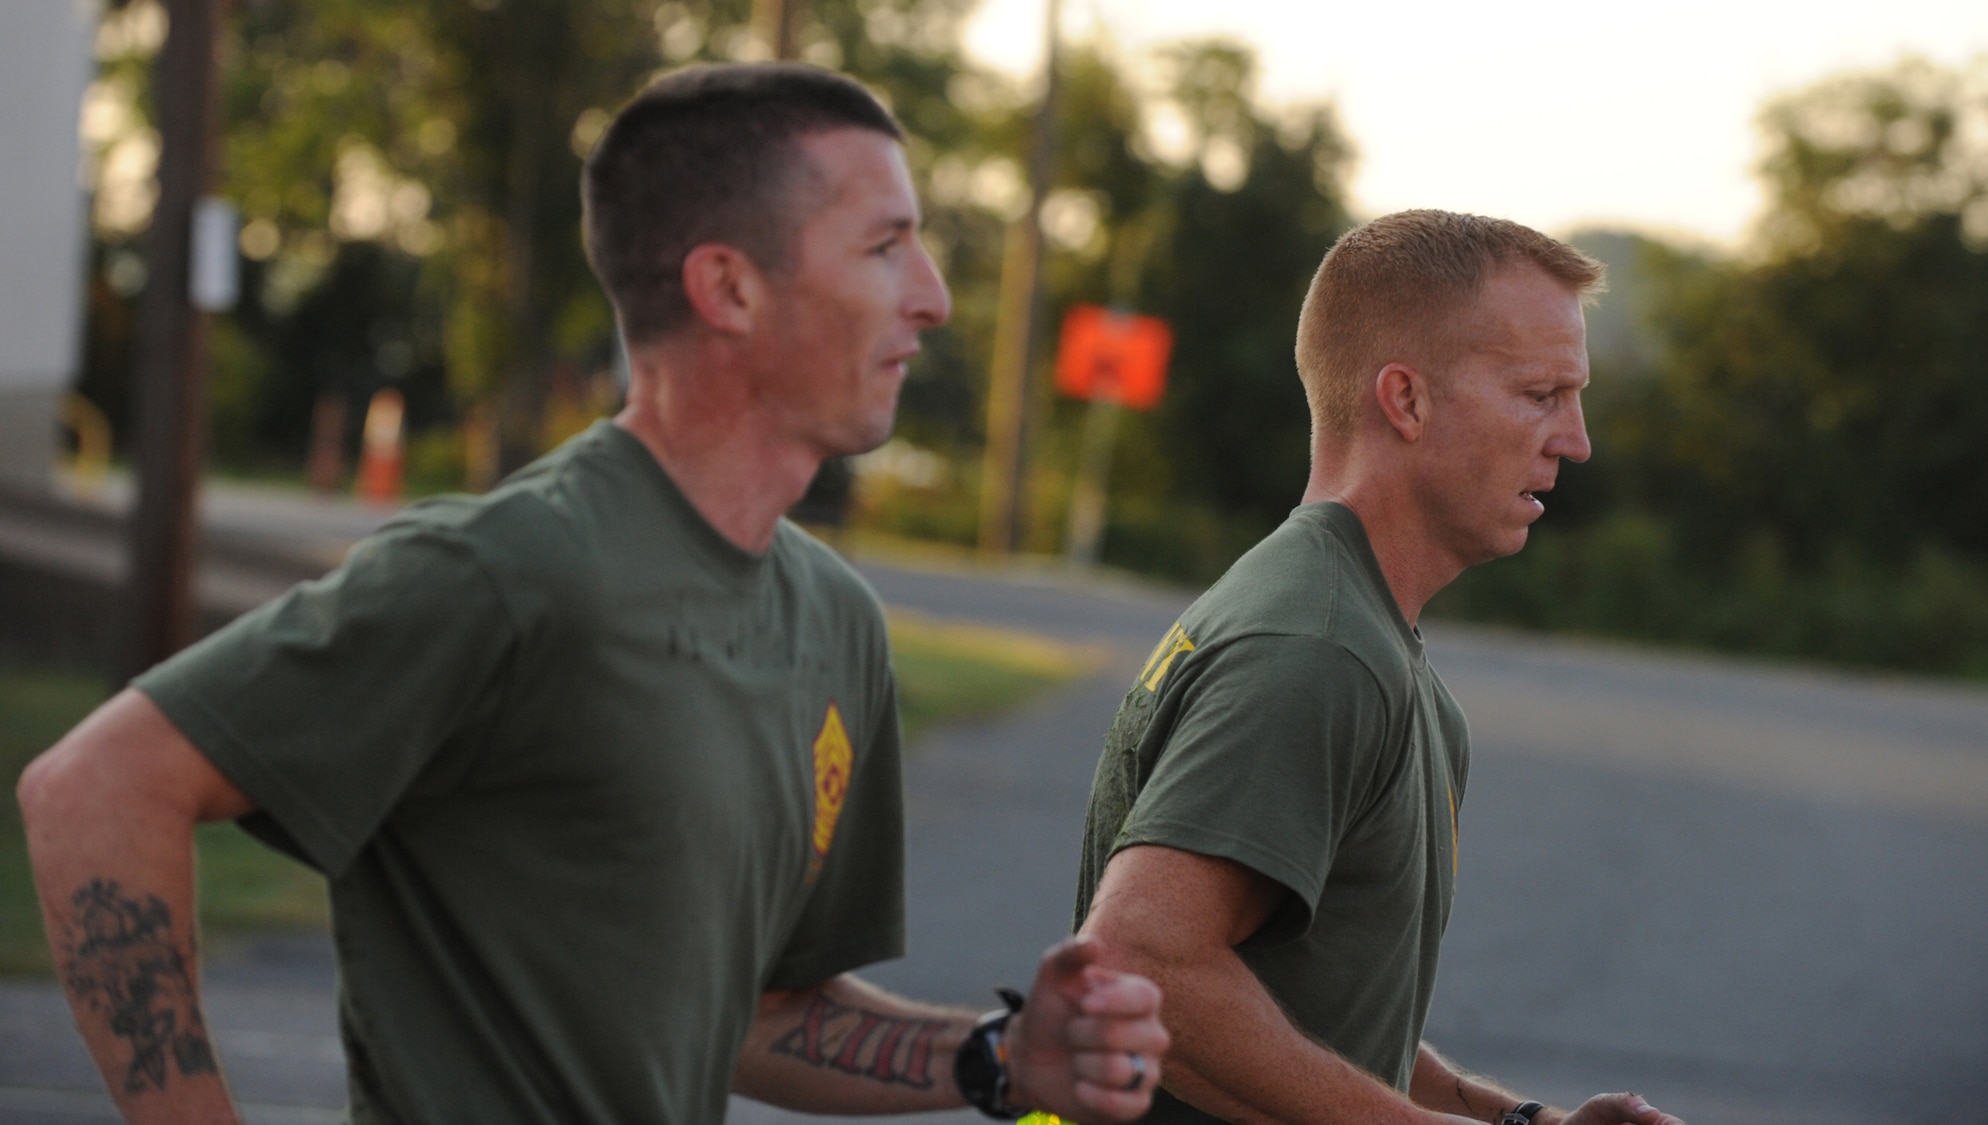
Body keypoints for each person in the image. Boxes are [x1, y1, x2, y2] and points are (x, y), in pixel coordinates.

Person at [19, 63, 1167, 1125]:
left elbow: (761, 1013)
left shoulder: (832, 620)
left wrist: (998, 1060)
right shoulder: (509, 573)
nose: (933, 298)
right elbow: (94, 789)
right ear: (729, 287)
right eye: (884, 247)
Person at [1070, 211, 1688, 1125]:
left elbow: (1311, 1013)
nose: (1576, 438)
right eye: (1540, 393)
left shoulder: (1351, 630)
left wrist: (1512, 1120)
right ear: (1405, 400)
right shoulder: (1315, 649)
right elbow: (1135, 964)